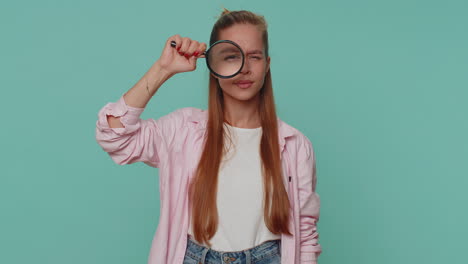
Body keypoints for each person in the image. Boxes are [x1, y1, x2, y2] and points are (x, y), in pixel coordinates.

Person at [95, 8, 322, 264]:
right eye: (230, 57)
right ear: (213, 65)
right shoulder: (183, 130)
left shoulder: (295, 145)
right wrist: (163, 69)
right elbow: (115, 136)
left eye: (254, 57)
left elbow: (306, 233)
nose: (244, 68)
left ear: (267, 65)